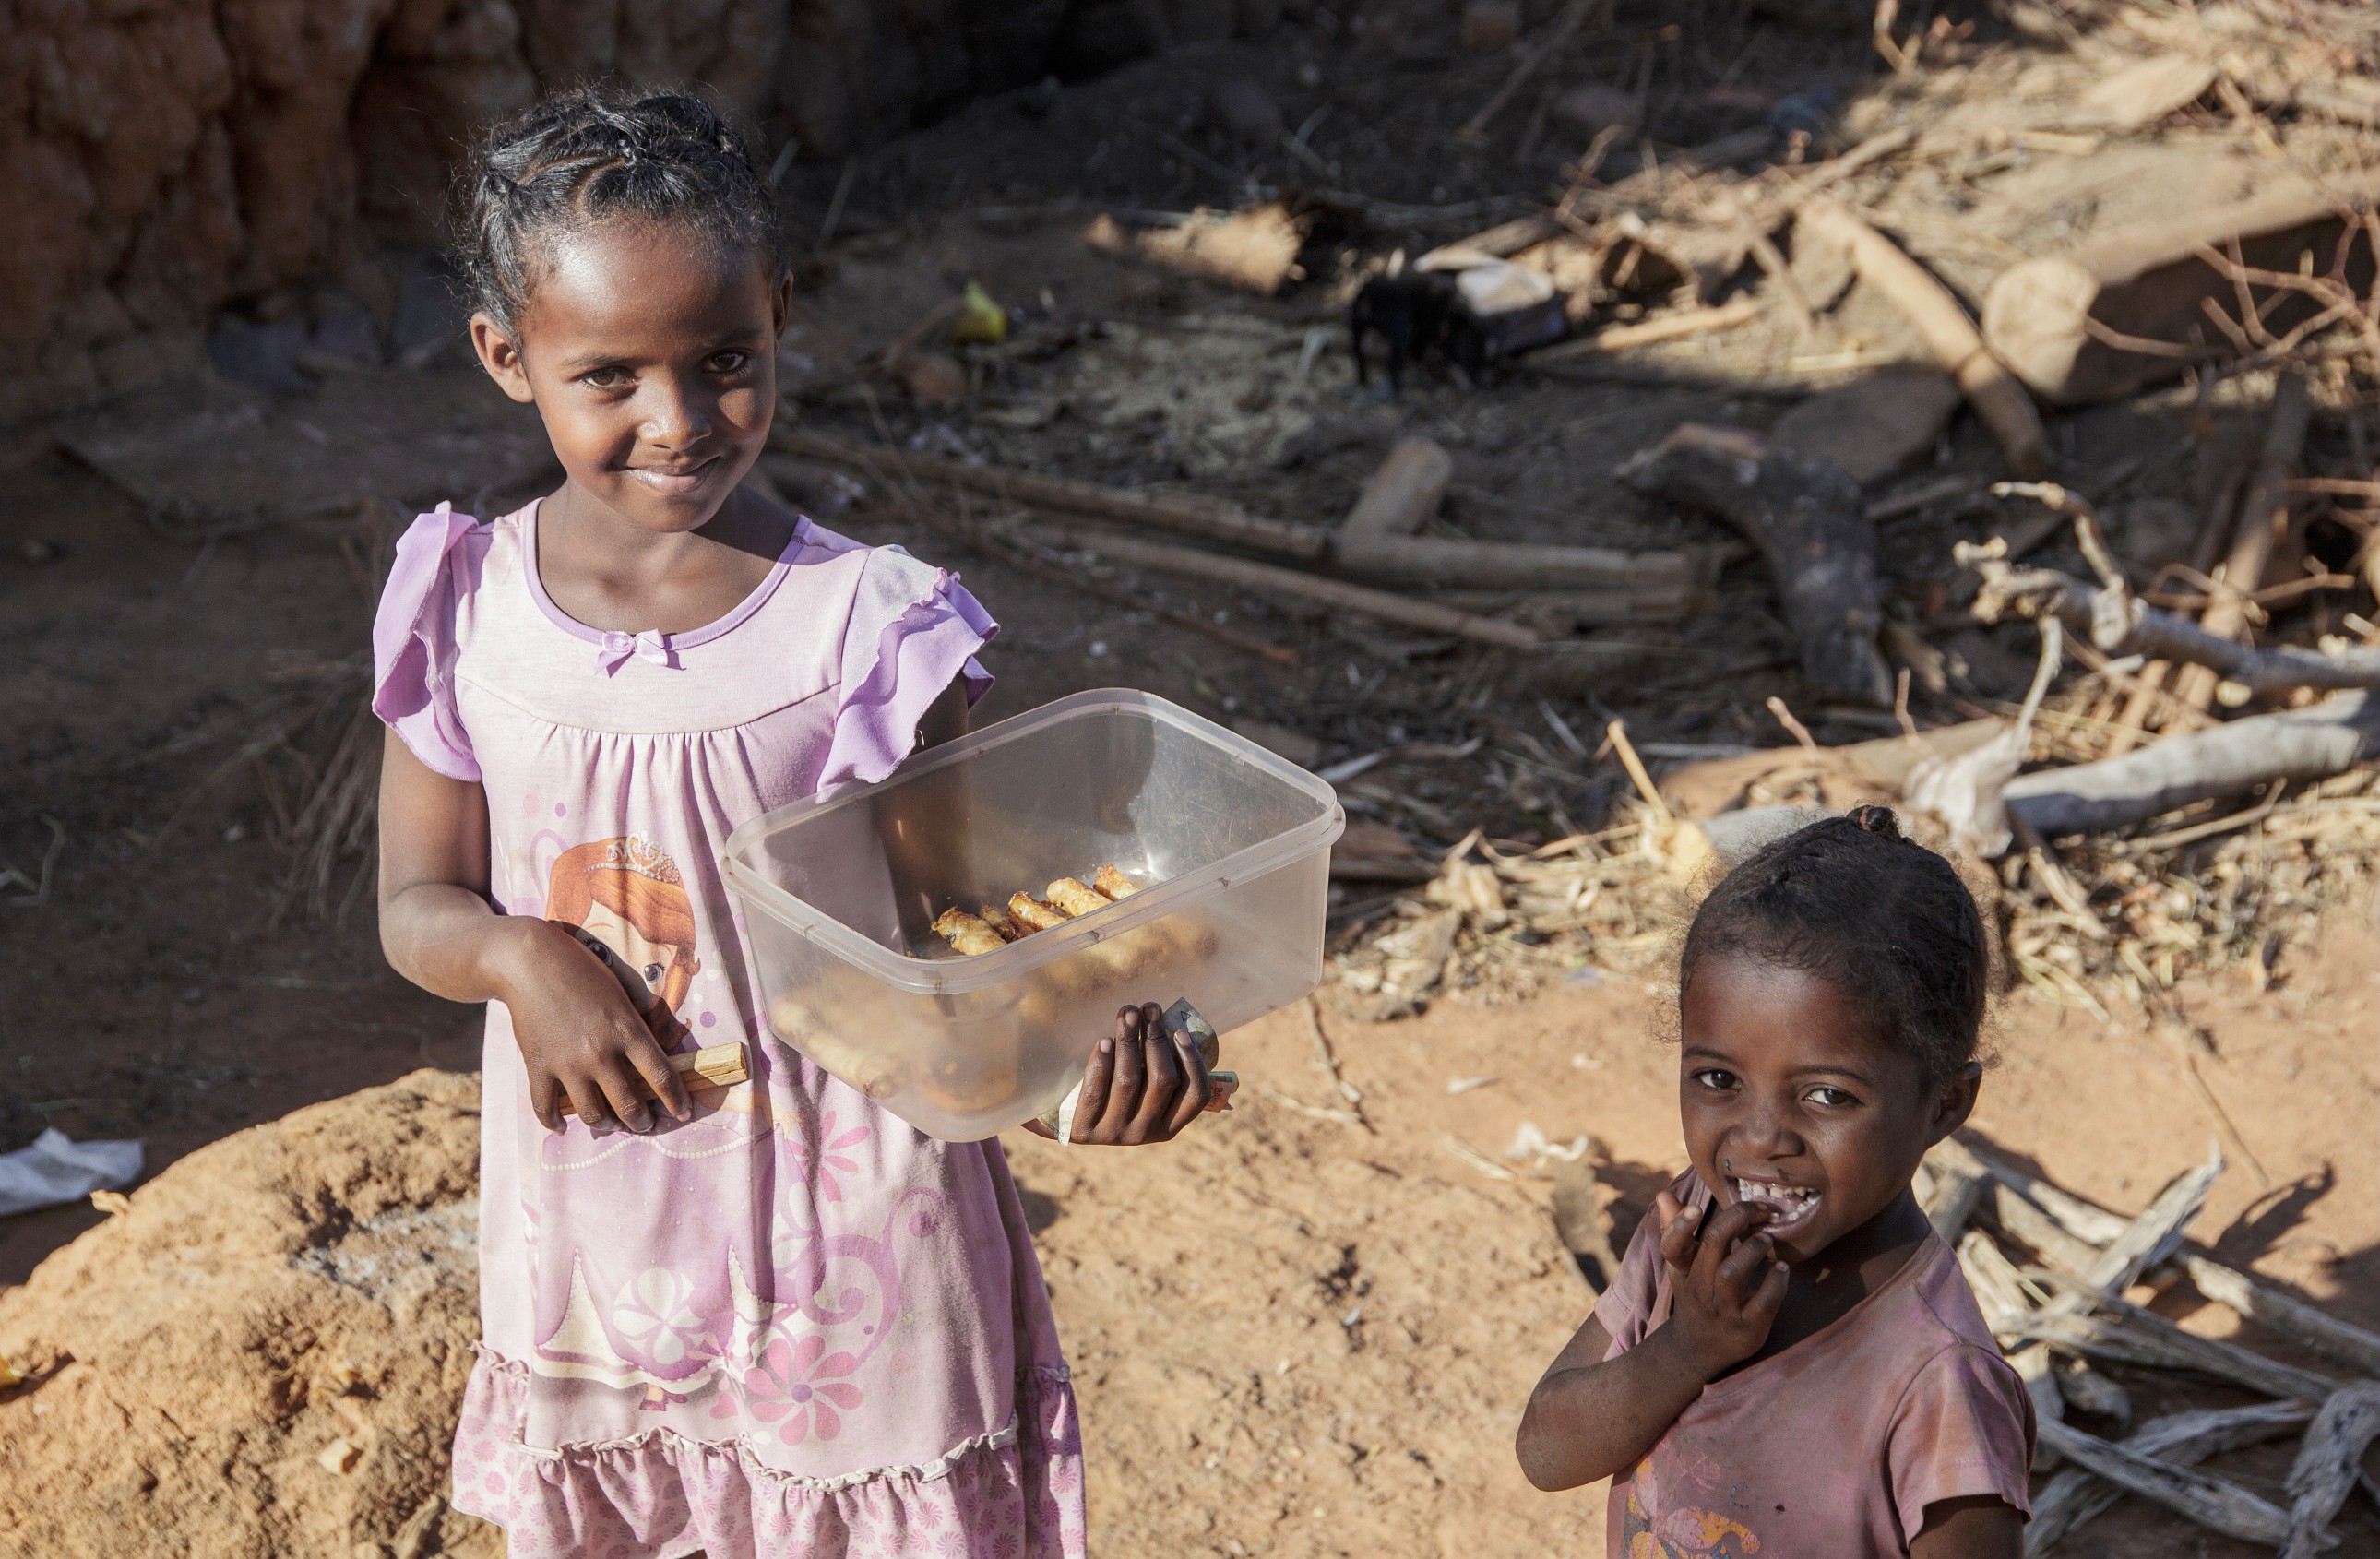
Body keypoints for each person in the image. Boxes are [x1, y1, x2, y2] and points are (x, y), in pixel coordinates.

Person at [373, 87, 1215, 1558]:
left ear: (781, 311)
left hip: (862, 1249)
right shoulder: (461, 603)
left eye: (726, 361)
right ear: (508, 358)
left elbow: (971, 942)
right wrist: (518, 960)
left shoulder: (869, 630)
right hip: (599, 1241)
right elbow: (414, 902)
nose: (679, 420)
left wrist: (1104, 1064)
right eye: (610, 376)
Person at [1515, 806, 2033, 1559]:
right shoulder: (1689, 1229)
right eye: (1719, 1078)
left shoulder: (1938, 1381)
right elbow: (1546, 1452)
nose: (1760, 1139)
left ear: (1944, 1104)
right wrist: (1687, 1349)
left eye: (1828, 1096)